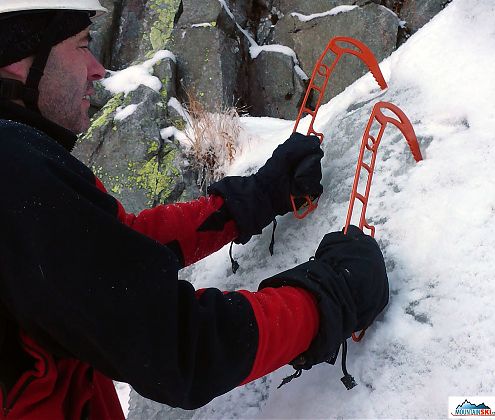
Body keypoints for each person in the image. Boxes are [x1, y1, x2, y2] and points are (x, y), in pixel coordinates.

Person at [0, 1, 389, 419]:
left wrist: (253, 199)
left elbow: (117, 251)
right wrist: (325, 298)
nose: (97, 69)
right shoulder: (14, 170)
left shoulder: (18, 168)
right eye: (81, 45)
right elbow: (176, 346)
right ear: (22, 59)